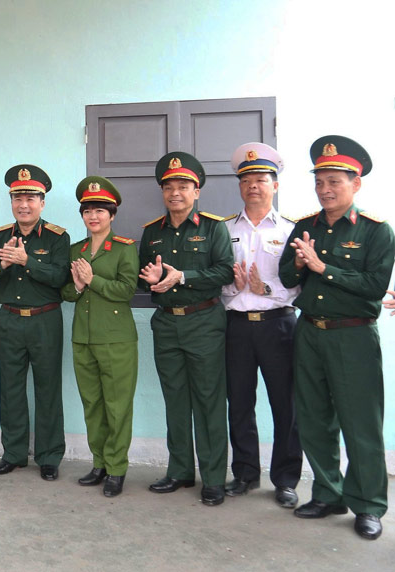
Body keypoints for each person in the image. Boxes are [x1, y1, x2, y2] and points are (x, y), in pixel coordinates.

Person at [278, 135, 394, 541]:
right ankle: (327, 493)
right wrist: (298, 263)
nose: (325, 190)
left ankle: (367, 505)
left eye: (334, 182)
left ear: (355, 184)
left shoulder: (377, 231)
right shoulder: (305, 226)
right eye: (320, 182)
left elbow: (374, 287)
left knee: (360, 424)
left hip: (354, 336)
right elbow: (287, 279)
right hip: (310, 331)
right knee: (313, 419)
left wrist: (322, 267)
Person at [138, 152, 233, 507]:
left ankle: (213, 478)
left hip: (204, 322)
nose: (175, 193)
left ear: (197, 191)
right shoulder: (152, 232)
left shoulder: (213, 227)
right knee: (175, 399)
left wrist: (182, 276)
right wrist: (151, 281)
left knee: (209, 400)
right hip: (166, 323)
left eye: (183, 186)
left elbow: (224, 272)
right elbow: (144, 277)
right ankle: (179, 470)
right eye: (168, 187)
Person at [219, 143, 302, 508]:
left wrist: (264, 288)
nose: (254, 185)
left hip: (278, 326)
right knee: (238, 402)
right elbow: (219, 276)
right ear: (239, 186)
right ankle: (245, 473)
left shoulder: (290, 230)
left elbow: (299, 283)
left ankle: (285, 480)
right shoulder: (223, 230)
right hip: (236, 326)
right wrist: (233, 286)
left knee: (286, 404)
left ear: (275, 185)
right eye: (247, 179)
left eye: (262, 179)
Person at [0, 165, 69, 481]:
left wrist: (27, 262)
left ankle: (49, 456)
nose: (24, 205)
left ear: (42, 203)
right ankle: (14, 454)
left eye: (31, 198)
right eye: (18, 198)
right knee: (11, 389)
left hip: (45, 320)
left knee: (48, 389)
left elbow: (60, 277)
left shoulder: (58, 236)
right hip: (10, 321)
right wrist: (3, 262)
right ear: (11, 201)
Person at [60, 176, 138, 498]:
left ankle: (117, 469)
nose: (93, 216)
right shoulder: (74, 249)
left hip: (116, 340)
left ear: (112, 214)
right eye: (88, 210)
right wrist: (77, 287)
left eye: (100, 210)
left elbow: (127, 290)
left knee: (117, 407)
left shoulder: (125, 249)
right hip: (83, 338)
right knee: (92, 404)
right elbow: (66, 292)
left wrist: (92, 281)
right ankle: (99, 463)